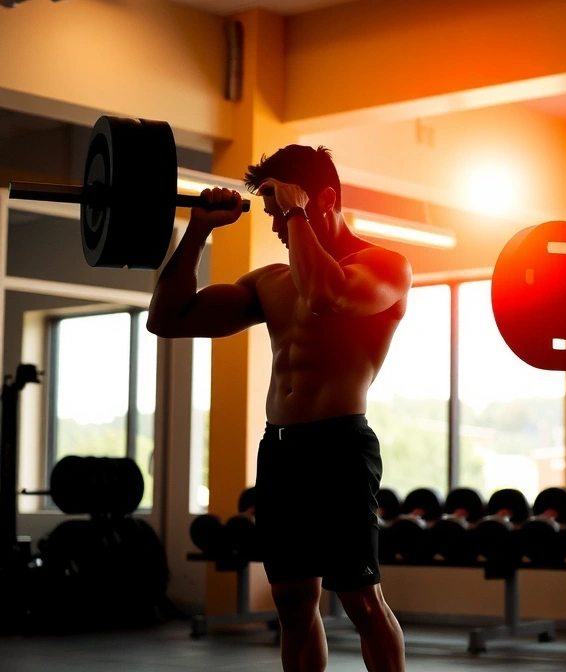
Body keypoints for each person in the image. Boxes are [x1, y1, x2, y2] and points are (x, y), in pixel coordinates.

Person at [147, 145, 411, 672]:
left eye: (277, 207)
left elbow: (325, 297)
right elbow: (168, 317)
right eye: (269, 211)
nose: (273, 223)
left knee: (361, 601)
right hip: (281, 452)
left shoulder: (384, 267)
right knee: (292, 604)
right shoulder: (270, 280)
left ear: (326, 198)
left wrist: (295, 213)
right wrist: (198, 229)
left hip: (340, 447)